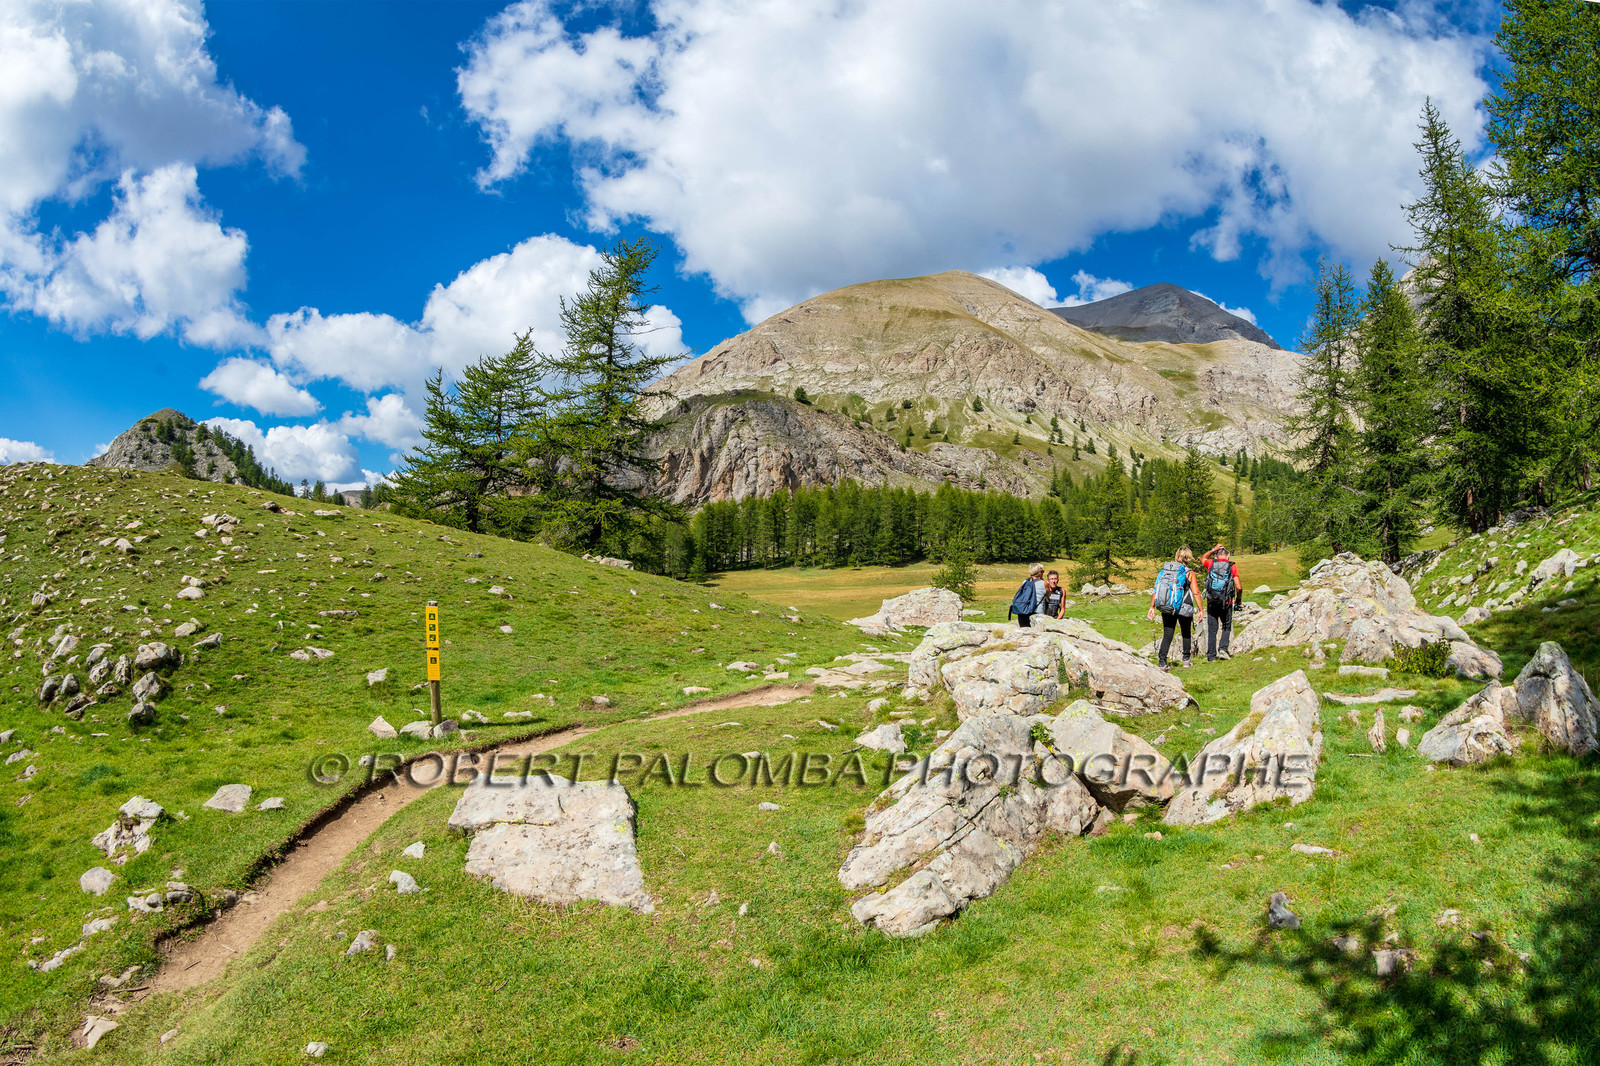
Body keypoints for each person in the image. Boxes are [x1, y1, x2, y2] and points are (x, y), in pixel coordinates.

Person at [1148, 547, 1201, 670]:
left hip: (1168, 606)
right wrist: (1201, 609)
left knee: (1168, 634)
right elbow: (1196, 592)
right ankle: (1186, 660)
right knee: (1186, 633)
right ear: (1188, 557)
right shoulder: (1189, 572)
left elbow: (1156, 590)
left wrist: (1152, 607)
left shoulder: (1165, 571)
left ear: (1177, 556)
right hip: (1184, 607)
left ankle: (1162, 662)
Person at [1200, 543, 1244, 661]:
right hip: (1226, 602)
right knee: (1226, 626)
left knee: (1212, 629)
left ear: (1217, 556)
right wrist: (1238, 601)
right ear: (1228, 556)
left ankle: (1211, 656)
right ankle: (1223, 650)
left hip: (1211, 601)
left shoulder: (1211, 564)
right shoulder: (1232, 566)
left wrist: (1213, 549)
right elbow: (1238, 587)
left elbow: (1202, 558)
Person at [1008, 563, 1046, 627]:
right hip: (1037, 614)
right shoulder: (1044, 584)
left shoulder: (1025, 582)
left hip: (1023, 613)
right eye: (1042, 571)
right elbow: (1049, 596)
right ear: (1039, 573)